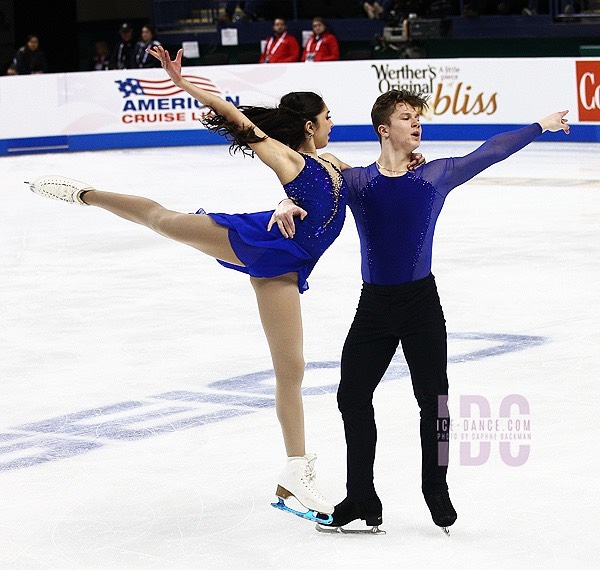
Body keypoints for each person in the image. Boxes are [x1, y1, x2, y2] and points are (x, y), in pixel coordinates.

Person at [25, 47, 419, 525]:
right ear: (309, 125)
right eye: (327, 117)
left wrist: (403, 161)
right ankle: (84, 194)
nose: (332, 123)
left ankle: (294, 471)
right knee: (162, 219)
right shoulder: (286, 158)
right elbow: (235, 118)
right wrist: (182, 82)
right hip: (258, 242)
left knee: (291, 369)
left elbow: (361, 184)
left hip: (285, 267)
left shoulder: (333, 163)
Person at [271, 89, 570, 534]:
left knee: (435, 402)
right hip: (374, 307)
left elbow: (490, 151)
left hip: (420, 305)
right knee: (351, 396)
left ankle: (436, 487)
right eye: (406, 117)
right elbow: (309, 183)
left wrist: (539, 126)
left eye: (417, 118)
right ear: (383, 129)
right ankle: (361, 496)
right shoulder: (356, 181)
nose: (416, 124)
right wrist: (284, 202)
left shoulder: (435, 175)